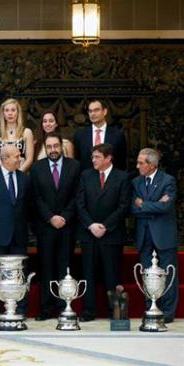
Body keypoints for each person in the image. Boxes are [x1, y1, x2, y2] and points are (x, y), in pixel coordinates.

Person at [76, 143, 131, 322]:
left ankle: (114, 311)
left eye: (97, 157)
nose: (93, 160)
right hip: (89, 234)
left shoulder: (122, 177)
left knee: (111, 274)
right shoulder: (85, 175)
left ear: (108, 158)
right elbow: (80, 204)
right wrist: (91, 225)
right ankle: (88, 311)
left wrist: (105, 226)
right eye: (92, 157)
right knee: (88, 273)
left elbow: (123, 206)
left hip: (111, 235)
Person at [30, 132, 81, 321]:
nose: (53, 150)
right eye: (49, 147)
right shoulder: (37, 168)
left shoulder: (74, 166)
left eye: (56, 146)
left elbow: (77, 196)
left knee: (65, 267)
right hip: (46, 226)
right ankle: (45, 308)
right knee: (46, 267)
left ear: (61, 146)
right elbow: (36, 198)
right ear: (45, 148)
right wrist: (50, 217)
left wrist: (64, 217)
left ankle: (63, 306)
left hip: (67, 226)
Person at [0, 145, 33, 322]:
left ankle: (20, 308)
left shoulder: (25, 179)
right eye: (17, 156)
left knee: (20, 273)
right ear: (5, 158)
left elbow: (27, 206)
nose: (20, 159)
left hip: (18, 234)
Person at [131, 148, 178, 324]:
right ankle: (151, 308)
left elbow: (166, 207)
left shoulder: (168, 180)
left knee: (168, 274)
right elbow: (134, 208)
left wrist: (144, 205)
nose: (137, 166)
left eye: (141, 163)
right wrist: (154, 205)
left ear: (151, 165)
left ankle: (168, 312)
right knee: (146, 274)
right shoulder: (136, 182)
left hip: (163, 235)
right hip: (145, 235)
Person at [73, 99, 127, 171]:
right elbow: (77, 160)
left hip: (111, 179)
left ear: (104, 111)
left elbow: (122, 161)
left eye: (96, 110)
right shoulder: (80, 135)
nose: (92, 114)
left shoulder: (117, 135)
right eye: (90, 111)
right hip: (87, 179)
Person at [0, 98, 34, 172]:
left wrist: (18, 175)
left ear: (18, 112)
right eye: (7, 110)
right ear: (3, 113)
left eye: (13, 110)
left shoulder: (26, 132)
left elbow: (29, 159)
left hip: (20, 173)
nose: (10, 113)